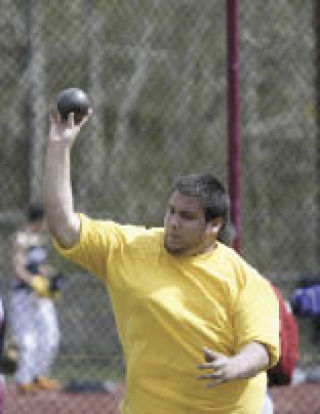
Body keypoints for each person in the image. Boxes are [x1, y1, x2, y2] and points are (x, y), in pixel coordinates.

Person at [43, 111, 279, 414]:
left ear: (214, 225)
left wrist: (235, 366)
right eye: (171, 211)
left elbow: (260, 349)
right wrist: (59, 146)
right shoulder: (129, 248)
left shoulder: (244, 279)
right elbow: (63, 226)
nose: (173, 222)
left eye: (187, 216)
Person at [9, 205, 61, 393]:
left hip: (40, 296)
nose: (47, 224)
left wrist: (53, 276)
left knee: (50, 336)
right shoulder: (20, 238)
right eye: (46, 220)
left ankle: (39, 376)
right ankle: (23, 381)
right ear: (39, 219)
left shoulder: (39, 239)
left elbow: (38, 266)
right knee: (27, 340)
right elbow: (18, 268)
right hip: (24, 296)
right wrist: (34, 282)